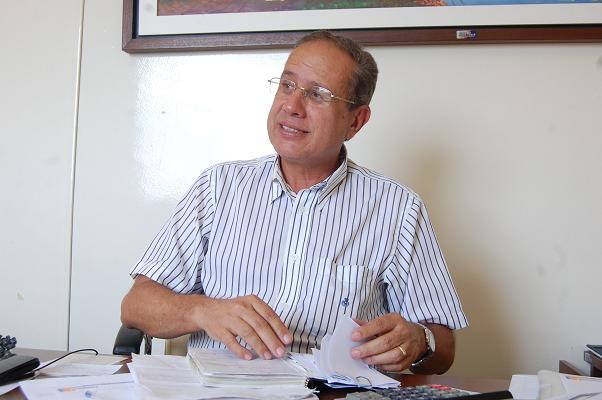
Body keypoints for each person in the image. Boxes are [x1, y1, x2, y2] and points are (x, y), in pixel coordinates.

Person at [121, 30, 467, 375]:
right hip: (221, 389)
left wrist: (419, 340)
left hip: (332, 392)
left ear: (356, 121)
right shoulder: (218, 187)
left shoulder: (398, 208)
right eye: (287, 85)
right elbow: (135, 306)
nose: (291, 106)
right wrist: (202, 310)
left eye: (317, 94)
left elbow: (444, 350)